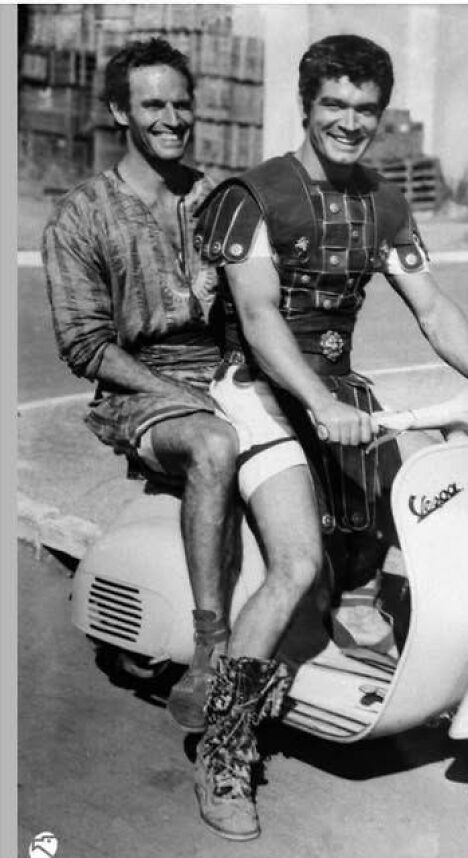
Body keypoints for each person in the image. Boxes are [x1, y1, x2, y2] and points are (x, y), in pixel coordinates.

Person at [191, 34, 468, 841]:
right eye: (335, 105)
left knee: (415, 521)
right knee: (296, 563)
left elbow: (431, 306)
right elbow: (256, 319)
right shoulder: (252, 195)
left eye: (366, 109)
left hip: (340, 395)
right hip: (256, 390)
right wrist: (318, 402)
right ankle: (222, 750)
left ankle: (377, 651)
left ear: (380, 116)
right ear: (307, 104)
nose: (350, 122)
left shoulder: (385, 202)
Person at [42, 38, 243, 733]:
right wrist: (184, 396)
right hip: (137, 392)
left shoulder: (216, 197)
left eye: (181, 103)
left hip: (224, 374)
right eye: (152, 103)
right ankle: (211, 646)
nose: (171, 117)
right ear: (119, 112)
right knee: (216, 444)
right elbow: (85, 345)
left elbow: (254, 305)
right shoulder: (82, 214)